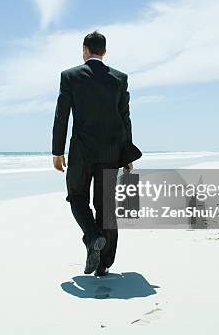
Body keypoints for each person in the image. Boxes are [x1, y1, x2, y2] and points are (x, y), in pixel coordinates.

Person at [52, 31, 135, 276]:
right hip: (111, 151)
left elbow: (61, 116)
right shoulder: (119, 78)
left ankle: (92, 237)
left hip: (81, 152)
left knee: (77, 198)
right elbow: (125, 119)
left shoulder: (70, 76)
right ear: (104, 52)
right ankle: (104, 264)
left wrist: (58, 152)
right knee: (106, 207)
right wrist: (127, 153)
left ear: (85, 50)